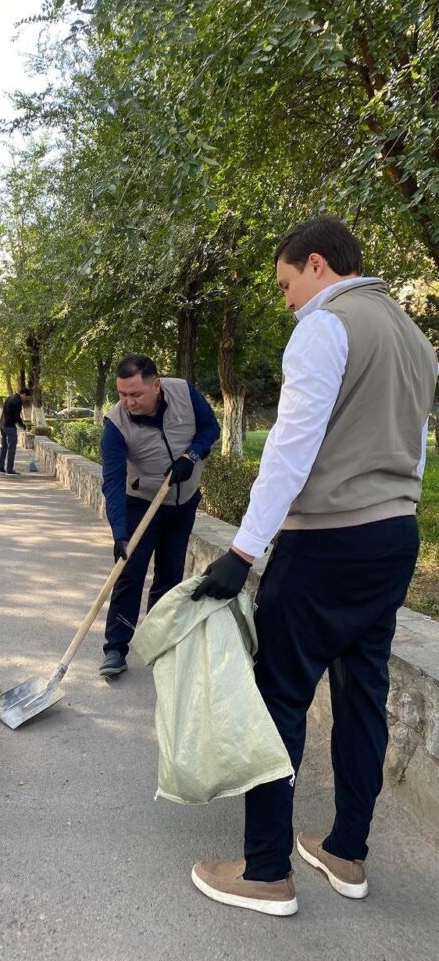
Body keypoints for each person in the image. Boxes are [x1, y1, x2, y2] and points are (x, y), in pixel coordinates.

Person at [190, 217, 437, 916]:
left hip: (326, 542)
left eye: (286, 283)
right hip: (395, 536)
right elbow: (416, 449)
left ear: (318, 265)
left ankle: (266, 869)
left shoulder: (326, 326)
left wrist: (243, 551)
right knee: (362, 695)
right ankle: (347, 852)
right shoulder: (415, 339)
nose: (287, 299)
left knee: (279, 697)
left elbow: (290, 449)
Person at [99, 354, 220, 677]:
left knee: (170, 574)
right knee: (129, 573)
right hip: (141, 502)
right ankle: (115, 648)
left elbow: (211, 428)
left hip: (183, 502)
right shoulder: (116, 425)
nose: (128, 402)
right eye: (122, 394)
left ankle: (159, 642)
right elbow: (112, 481)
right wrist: (119, 533)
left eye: (136, 394)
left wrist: (191, 456)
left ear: (156, 385)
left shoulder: (184, 393)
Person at [0, 386, 32, 475]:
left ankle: (1, 468)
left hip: (2, 424)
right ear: (23, 394)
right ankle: (9, 469)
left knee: (4, 447)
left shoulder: (10, 398)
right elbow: (16, 416)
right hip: (9, 426)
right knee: (12, 447)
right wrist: (22, 425)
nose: (26, 400)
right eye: (27, 397)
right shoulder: (18, 401)